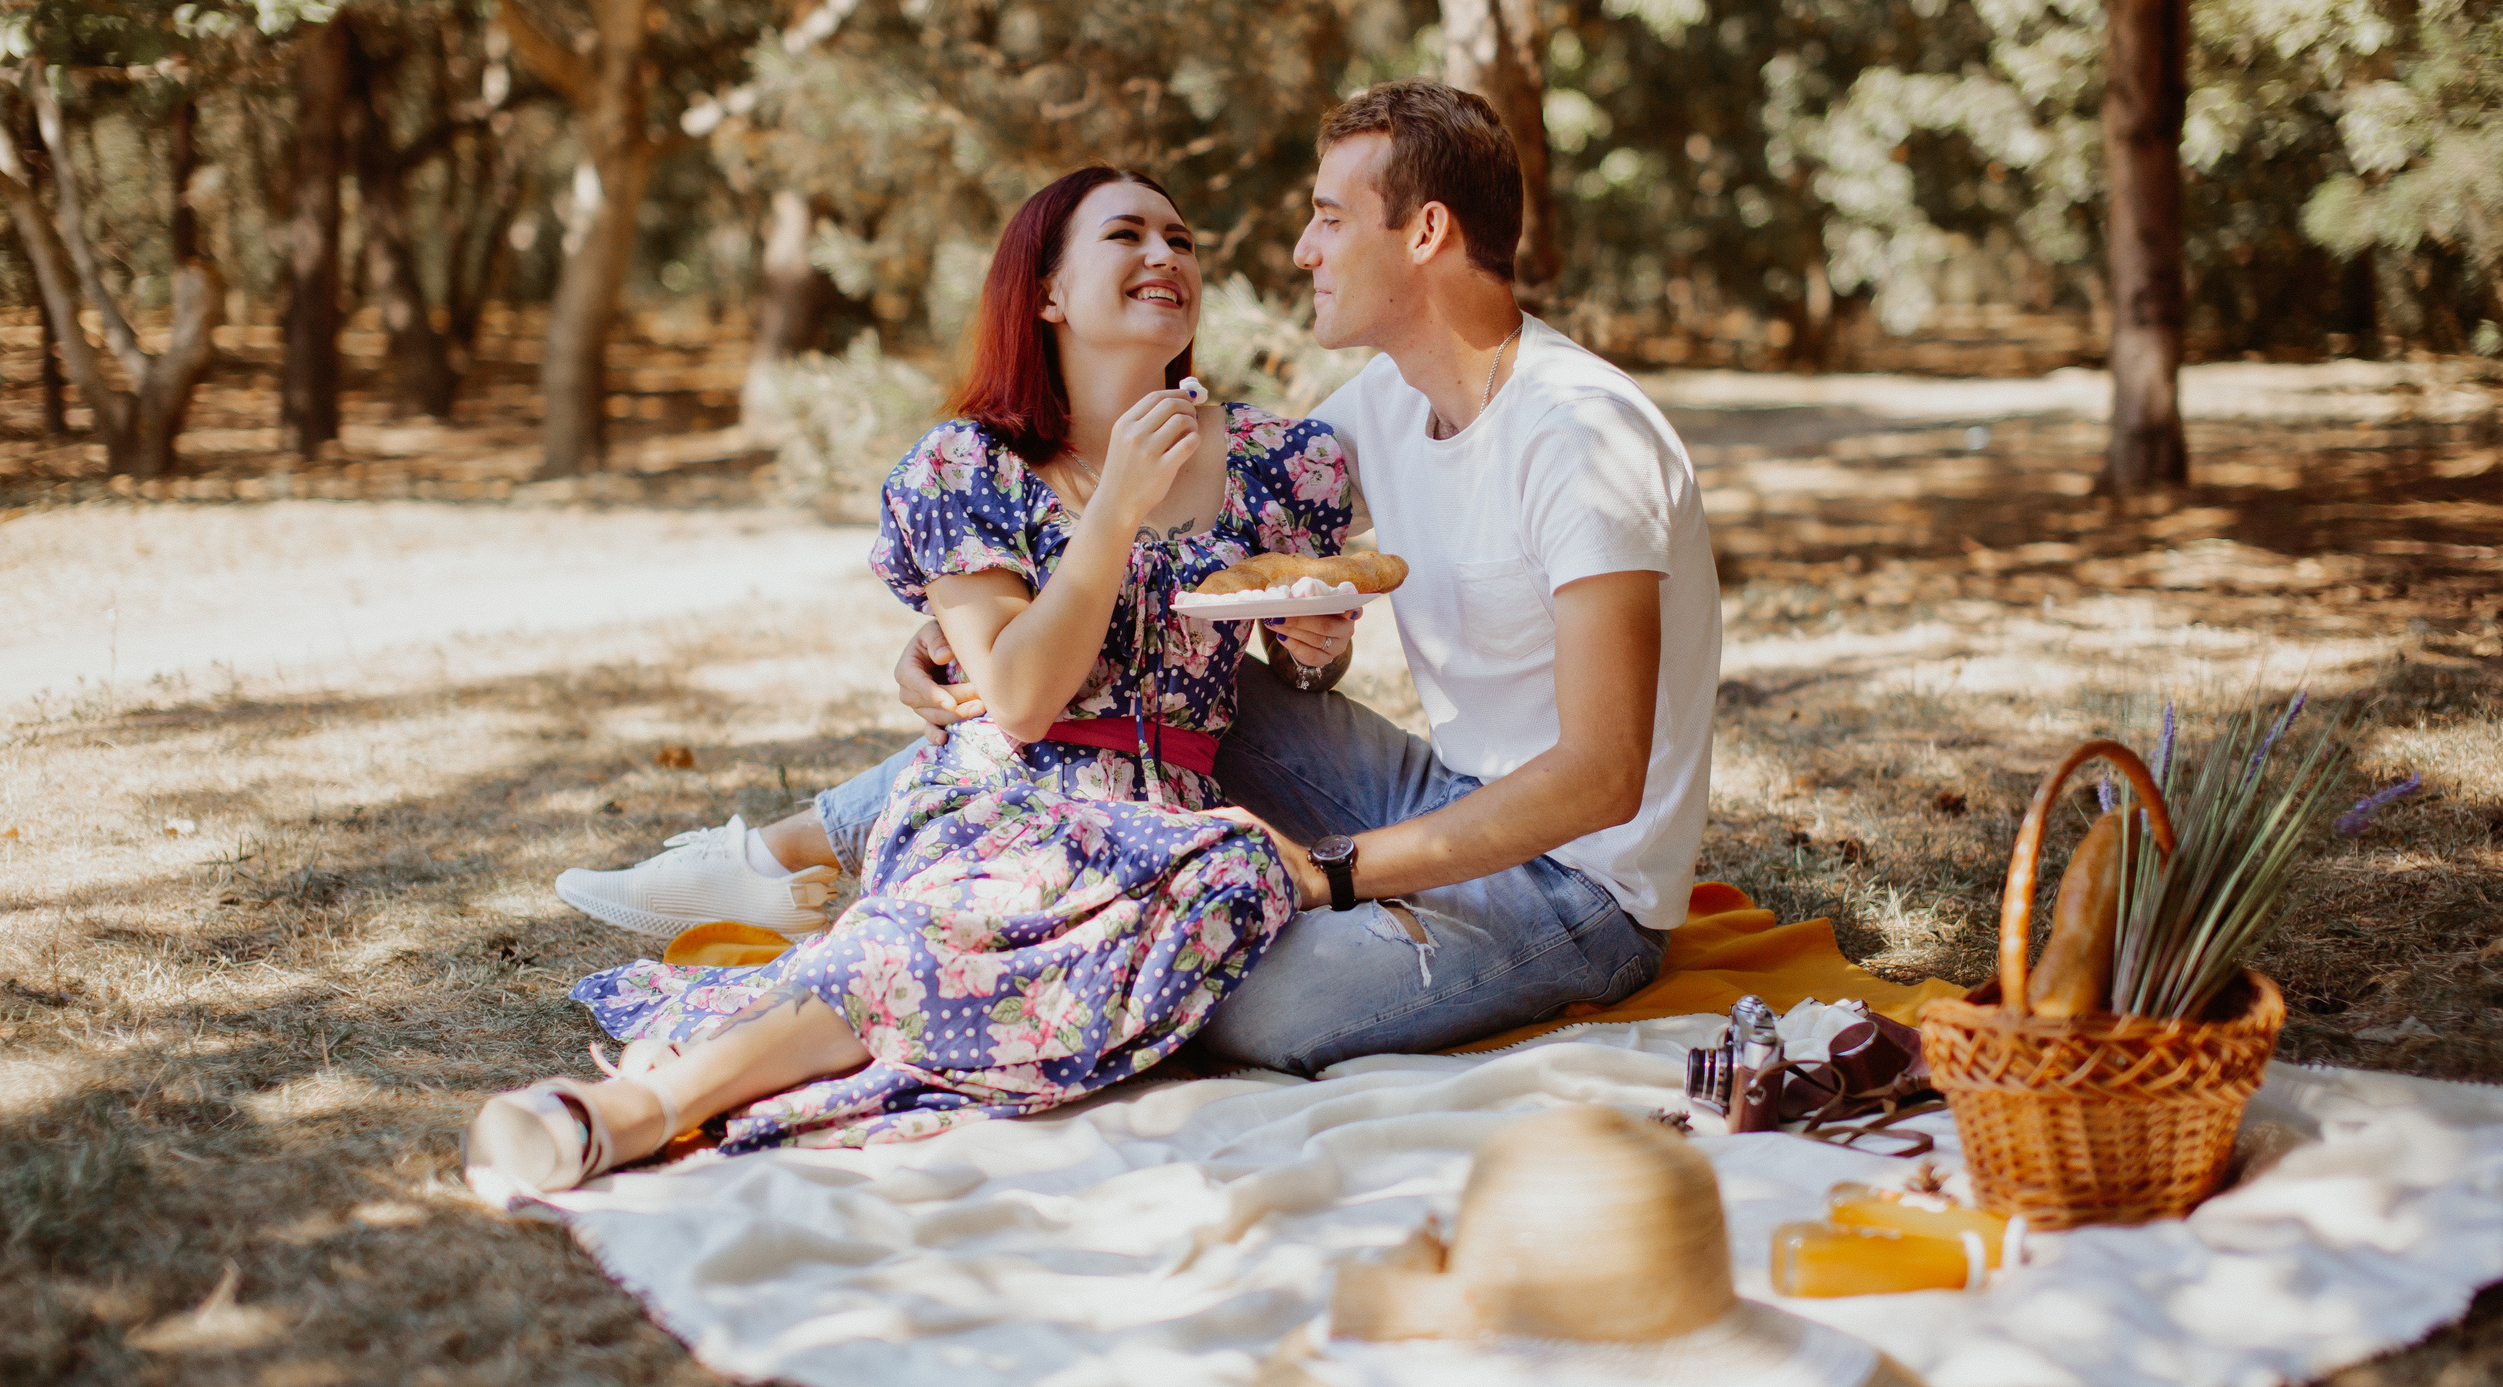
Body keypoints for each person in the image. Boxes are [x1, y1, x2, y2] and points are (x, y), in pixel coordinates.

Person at [555, 77, 1721, 1077]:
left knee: (1221, 995)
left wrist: (1329, 874)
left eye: (1326, 219)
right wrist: (953, 630)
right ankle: (780, 855)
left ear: (1422, 234)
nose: (1303, 249)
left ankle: (865, 898)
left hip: (1577, 888)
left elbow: (1602, 776)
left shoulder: (1578, 435)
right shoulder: (1381, 408)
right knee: (1141, 663)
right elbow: (1233, 564)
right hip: (1439, 788)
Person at [467, 166, 1357, 1189]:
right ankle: (648, 1106)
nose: (1166, 256)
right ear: (1048, 292)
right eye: (1127, 236)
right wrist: (1112, 510)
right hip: (999, 804)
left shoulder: (1281, 462)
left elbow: (1296, 647)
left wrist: (1316, 647)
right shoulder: (967, 468)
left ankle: (775, 1040)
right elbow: (1020, 700)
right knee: (949, 927)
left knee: (1241, 869)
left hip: (1173, 832)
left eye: (1181, 237)